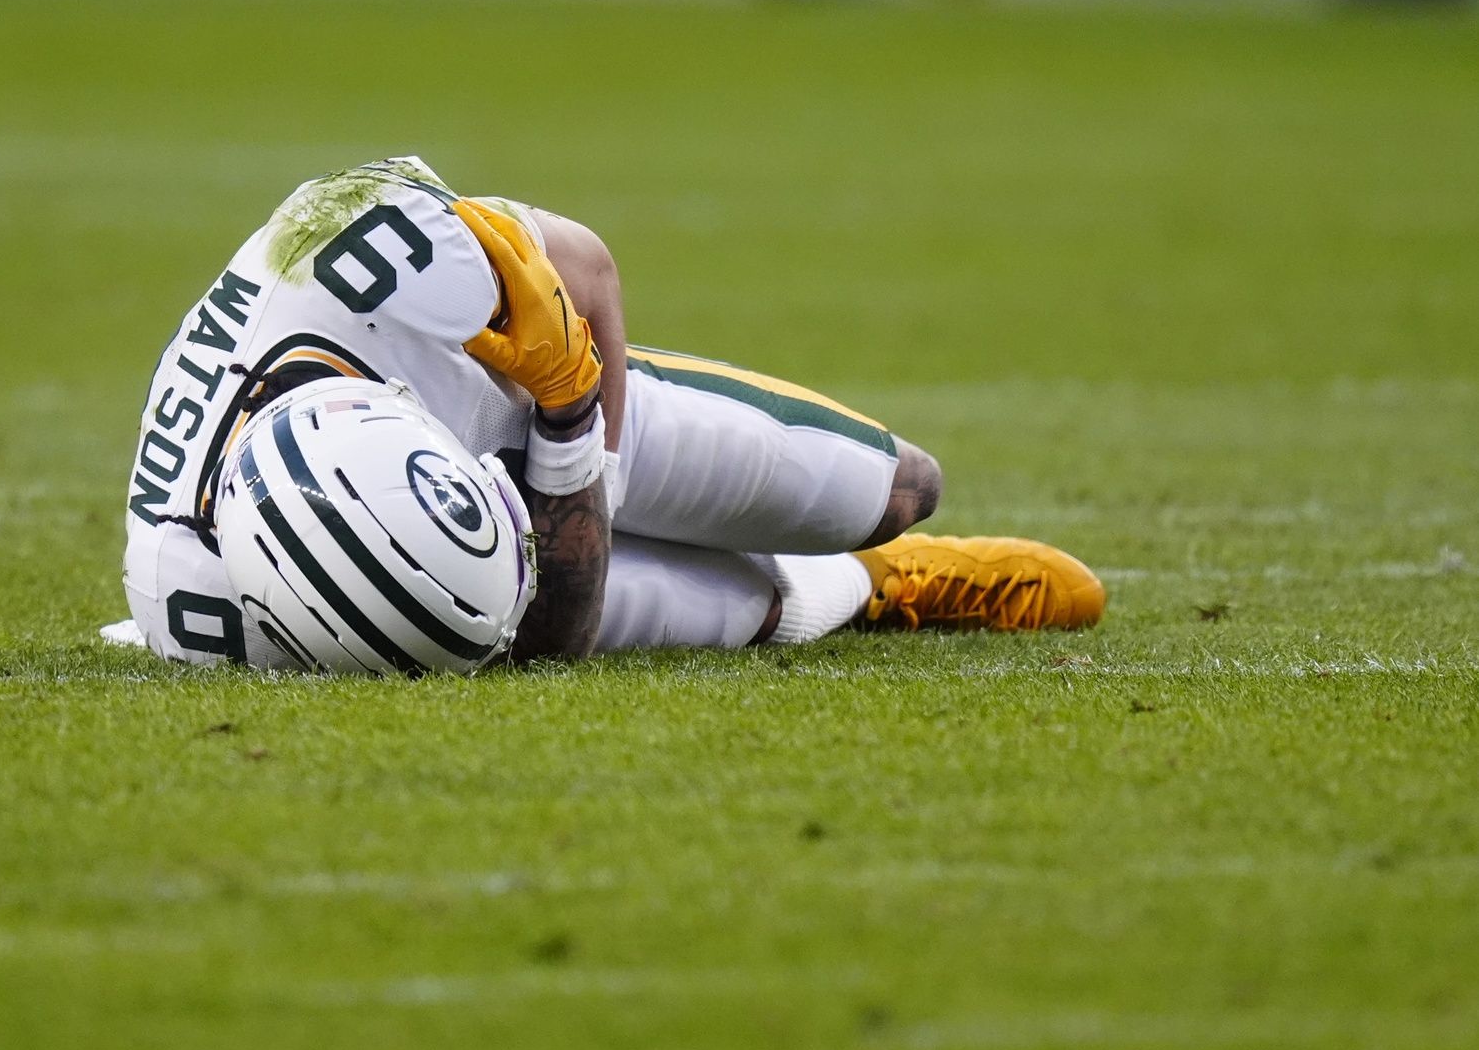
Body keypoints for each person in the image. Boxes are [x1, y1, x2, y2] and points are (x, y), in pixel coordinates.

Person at [102, 156, 1103, 672]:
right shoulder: (192, 604)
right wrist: (559, 509)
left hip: (514, 378)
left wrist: (577, 425)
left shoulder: (357, 256)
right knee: (741, 610)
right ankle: (874, 588)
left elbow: (586, 265)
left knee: (895, 489)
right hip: (509, 458)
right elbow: (556, 642)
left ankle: (873, 541)